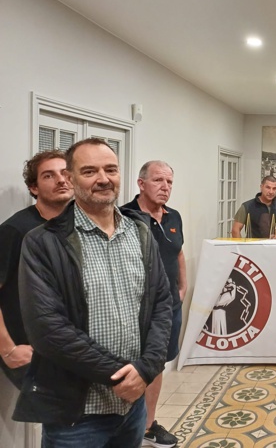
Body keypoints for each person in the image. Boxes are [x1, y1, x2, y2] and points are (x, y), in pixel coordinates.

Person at [14, 138, 173, 447]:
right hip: (77, 416)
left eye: (110, 169)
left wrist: (147, 369)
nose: (103, 179)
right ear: (71, 179)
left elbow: (162, 304)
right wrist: (122, 376)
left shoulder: (140, 233)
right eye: (89, 171)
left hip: (133, 408)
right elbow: (47, 329)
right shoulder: (43, 242)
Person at [122, 160, 186, 448]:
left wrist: (182, 287)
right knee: (133, 364)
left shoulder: (174, 217)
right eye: (158, 180)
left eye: (169, 182)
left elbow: (178, 253)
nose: (165, 187)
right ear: (141, 183)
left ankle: (148, 425)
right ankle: (125, 427)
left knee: (157, 364)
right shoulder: (124, 217)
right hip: (137, 308)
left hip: (169, 306)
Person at [0, 151, 73, 389]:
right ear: (34, 188)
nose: (61, 180)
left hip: (71, 346)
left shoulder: (79, 225)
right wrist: (8, 349)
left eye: (65, 173)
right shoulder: (16, 230)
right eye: (49, 176)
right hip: (31, 350)